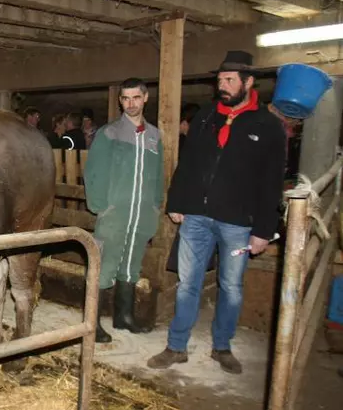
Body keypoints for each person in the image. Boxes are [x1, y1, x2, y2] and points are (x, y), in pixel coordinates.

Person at [147, 50, 287, 374]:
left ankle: (221, 346)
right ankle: (176, 346)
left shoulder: (268, 126)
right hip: (196, 217)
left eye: (229, 80)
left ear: (249, 82)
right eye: (220, 80)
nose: (222, 86)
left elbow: (271, 182)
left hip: (237, 224)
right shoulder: (207, 116)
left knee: (232, 287)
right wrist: (177, 202)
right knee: (187, 284)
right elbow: (188, 162)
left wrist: (264, 229)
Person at [84, 78, 164, 343]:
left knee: (131, 265)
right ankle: (92, 323)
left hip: (141, 213)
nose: (131, 104)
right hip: (115, 214)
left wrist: (155, 204)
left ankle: (124, 317)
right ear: (120, 101)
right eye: (126, 98)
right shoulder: (110, 133)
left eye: (136, 98)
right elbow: (93, 171)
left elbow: (158, 174)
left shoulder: (153, 135)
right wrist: (100, 206)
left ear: (145, 98)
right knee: (104, 266)